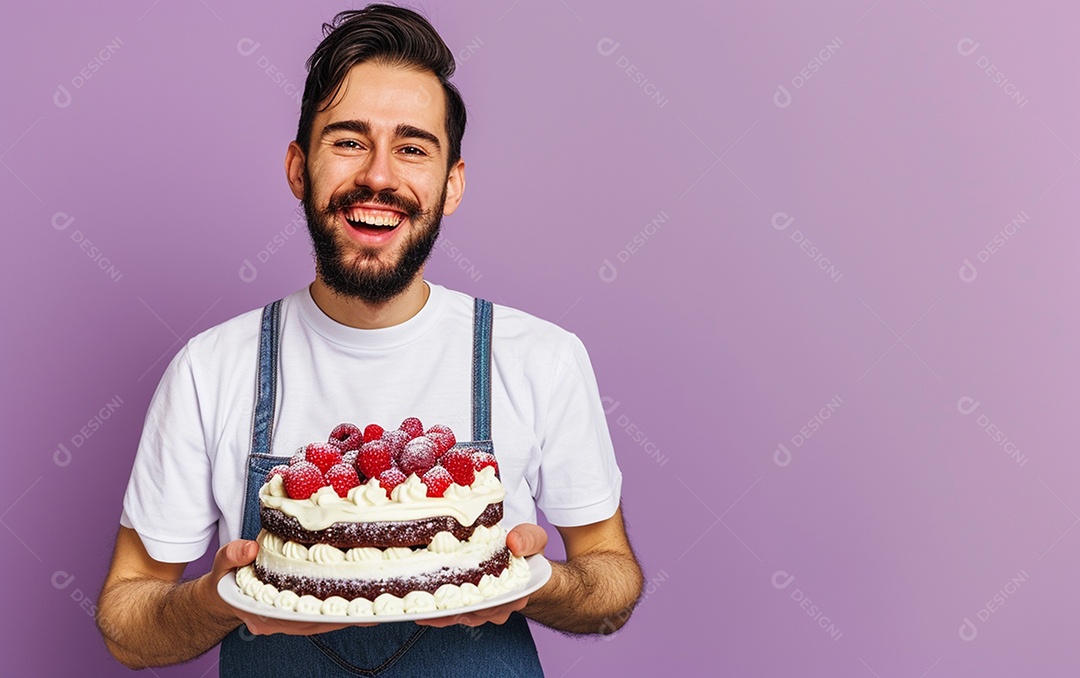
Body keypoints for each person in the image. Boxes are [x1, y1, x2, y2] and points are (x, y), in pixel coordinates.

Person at [97, 4, 643, 675]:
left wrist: (539, 582)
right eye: (349, 141)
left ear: (452, 185)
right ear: (299, 169)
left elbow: (612, 581)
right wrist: (217, 600)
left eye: (412, 148)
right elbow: (128, 626)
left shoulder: (540, 359)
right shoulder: (210, 369)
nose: (379, 176)